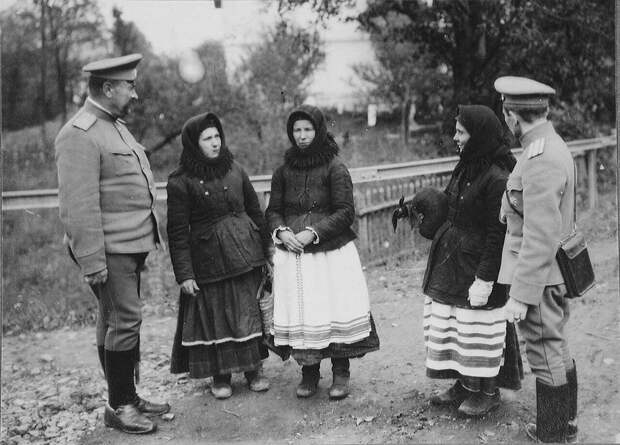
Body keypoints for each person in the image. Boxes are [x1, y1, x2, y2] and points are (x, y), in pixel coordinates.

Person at [55, 54, 169, 434]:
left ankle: (126, 397)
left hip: (129, 245)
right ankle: (120, 405)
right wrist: (92, 260)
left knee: (116, 321)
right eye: (129, 86)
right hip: (110, 249)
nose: (134, 94)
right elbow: (78, 206)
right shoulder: (79, 134)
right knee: (124, 321)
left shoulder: (113, 127)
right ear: (107, 88)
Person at [265, 105, 380, 400]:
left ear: (318, 131)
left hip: (330, 254)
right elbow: (273, 211)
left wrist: (312, 232)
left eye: (308, 130)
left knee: (333, 310)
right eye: (297, 130)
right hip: (295, 256)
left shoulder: (335, 167)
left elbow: (345, 212)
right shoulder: (283, 171)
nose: (302, 136)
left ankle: (340, 372)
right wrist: (283, 232)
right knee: (306, 314)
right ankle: (309, 372)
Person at [421, 105, 523, 417]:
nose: (455, 138)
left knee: (479, 329)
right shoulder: (466, 166)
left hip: (478, 264)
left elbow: (498, 234)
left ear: (478, 135)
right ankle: (465, 384)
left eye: (461, 132)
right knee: (456, 325)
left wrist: (485, 279)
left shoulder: (497, 178)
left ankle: (488, 391)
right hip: (452, 265)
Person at [495, 76, 578, 443]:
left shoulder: (540, 157)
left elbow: (541, 235)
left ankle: (554, 433)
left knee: (544, 350)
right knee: (554, 345)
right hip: (549, 273)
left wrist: (520, 295)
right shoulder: (545, 146)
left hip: (541, 277)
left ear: (512, 115)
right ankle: (565, 424)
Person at [168, 112, 271, 400]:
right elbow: (177, 232)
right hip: (208, 260)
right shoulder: (181, 181)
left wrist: (267, 249)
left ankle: (254, 369)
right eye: (207, 138)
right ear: (193, 143)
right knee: (217, 316)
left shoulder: (235, 169)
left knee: (246, 312)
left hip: (245, 254)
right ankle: (221, 375)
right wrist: (185, 274)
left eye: (217, 136)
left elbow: (255, 211)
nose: (215, 143)